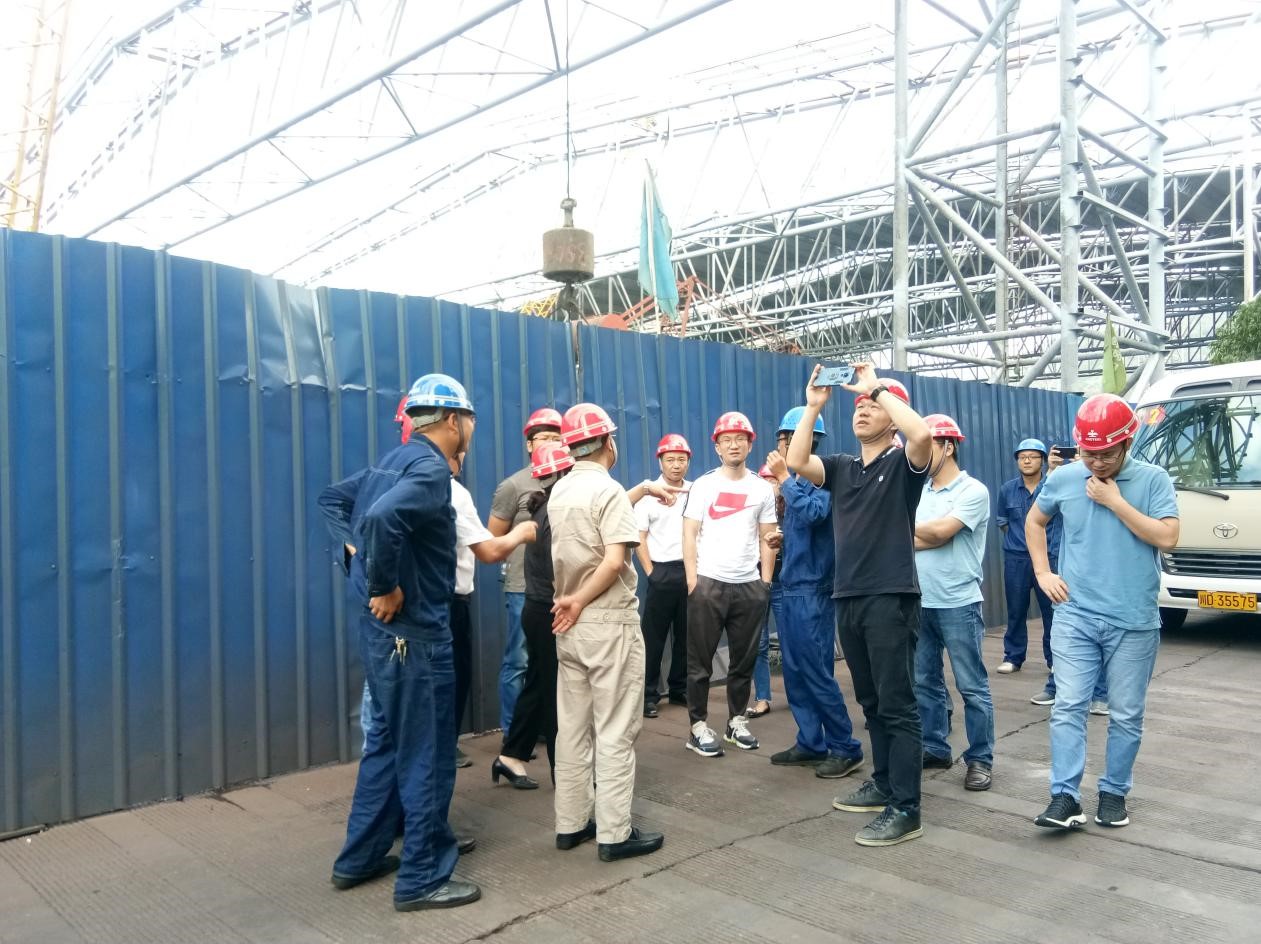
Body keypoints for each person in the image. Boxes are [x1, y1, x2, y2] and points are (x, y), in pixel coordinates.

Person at [317, 373, 480, 911]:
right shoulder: (430, 470)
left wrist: (354, 558)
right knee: (427, 753)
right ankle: (422, 877)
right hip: (415, 637)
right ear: (453, 420)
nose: (470, 428)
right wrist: (381, 584)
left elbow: (332, 502)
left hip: (384, 636)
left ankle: (359, 859)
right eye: (469, 419)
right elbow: (383, 519)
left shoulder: (391, 462)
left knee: (386, 746)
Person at [786, 365, 932, 848]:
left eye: (872, 405)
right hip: (847, 596)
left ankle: (906, 808)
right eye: (859, 406)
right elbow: (797, 460)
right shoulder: (843, 468)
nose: (863, 410)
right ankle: (884, 783)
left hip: (891, 597)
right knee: (871, 702)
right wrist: (813, 406)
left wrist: (877, 387)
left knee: (898, 705)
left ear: (891, 413)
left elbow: (922, 434)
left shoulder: (904, 464)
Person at [1028, 395, 1178, 831]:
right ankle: (1064, 796)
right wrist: (1043, 572)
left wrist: (1116, 502)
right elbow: (1035, 522)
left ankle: (1113, 793)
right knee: (1068, 706)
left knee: (1126, 714)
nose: (1096, 463)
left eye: (1107, 454)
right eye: (1089, 453)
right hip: (1075, 614)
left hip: (1133, 620)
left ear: (1127, 442)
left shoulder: (1153, 480)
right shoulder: (1065, 478)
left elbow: (1167, 537)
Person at [549, 403, 665, 862]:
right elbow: (616, 561)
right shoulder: (610, 491)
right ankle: (615, 833)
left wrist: (572, 601)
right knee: (615, 729)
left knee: (572, 729)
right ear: (608, 443)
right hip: (606, 620)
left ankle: (571, 823)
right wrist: (581, 599)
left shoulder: (559, 490)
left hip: (568, 625)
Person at [765, 407, 865, 780]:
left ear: (805, 441)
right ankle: (810, 741)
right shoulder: (795, 480)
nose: (782, 446)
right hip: (792, 586)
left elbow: (815, 514)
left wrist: (783, 478)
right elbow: (807, 528)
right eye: (782, 439)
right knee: (793, 671)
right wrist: (783, 539)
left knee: (816, 671)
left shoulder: (821, 478)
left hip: (813, 590)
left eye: (786, 439)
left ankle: (845, 747)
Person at [682, 411, 778, 758]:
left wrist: (764, 583)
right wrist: (693, 581)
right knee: (700, 664)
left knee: (743, 661)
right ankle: (697, 727)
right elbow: (689, 533)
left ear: (750, 444)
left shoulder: (761, 488)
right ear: (717, 447)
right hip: (709, 584)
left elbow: (768, 536)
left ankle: (736, 722)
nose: (733, 445)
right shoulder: (704, 485)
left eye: (740, 439)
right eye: (726, 440)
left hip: (749, 586)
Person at [911, 414, 995, 792]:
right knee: (924, 681)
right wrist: (924, 534)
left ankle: (980, 758)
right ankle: (934, 746)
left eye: (926, 446)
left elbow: (943, 533)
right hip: (920, 601)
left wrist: (914, 531)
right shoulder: (919, 492)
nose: (919, 454)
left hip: (959, 602)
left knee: (971, 686)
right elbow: (924, 536)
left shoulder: (973, 491)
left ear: (948, 447)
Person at [494, 442, 575, 789]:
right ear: (564, 473)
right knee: (559, 697)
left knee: (539, 683)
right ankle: (566, 778)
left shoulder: (545, 507)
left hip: (537, 609)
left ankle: (511, 755)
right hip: (550, 613)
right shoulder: (557, 515)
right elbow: (565, 573)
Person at [488, 408, 564, 732]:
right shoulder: (513, 485)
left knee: (554, 662)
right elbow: (493, 539)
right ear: (530, 444)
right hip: (523, 586)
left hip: (562, 589)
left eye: (557, 438)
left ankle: (548, 728)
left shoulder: (569, 480)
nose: (551, 443)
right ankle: (513, 733)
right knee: (519, 661)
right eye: (544, 438)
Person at [636, 434, 693, 719]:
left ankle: (680, 688)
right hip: (661, 572)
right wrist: (651, 572)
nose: (676, 465)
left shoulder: (695, 492)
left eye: (681, 459)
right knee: (653, 638)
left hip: (690, 571)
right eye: (670, 459)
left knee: (687, 636)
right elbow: (639, 537)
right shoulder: (648, 494)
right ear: (660, 462)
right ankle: (648, 695)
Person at [747, 462, 783, 719]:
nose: (770, 486)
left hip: (784, 583)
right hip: (756, 583)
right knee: (758, 644)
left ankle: (799, 695)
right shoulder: (752, 513)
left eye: (774, 481)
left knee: (790, 641)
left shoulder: (791, 512)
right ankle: (762, 698)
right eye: (765, 481)